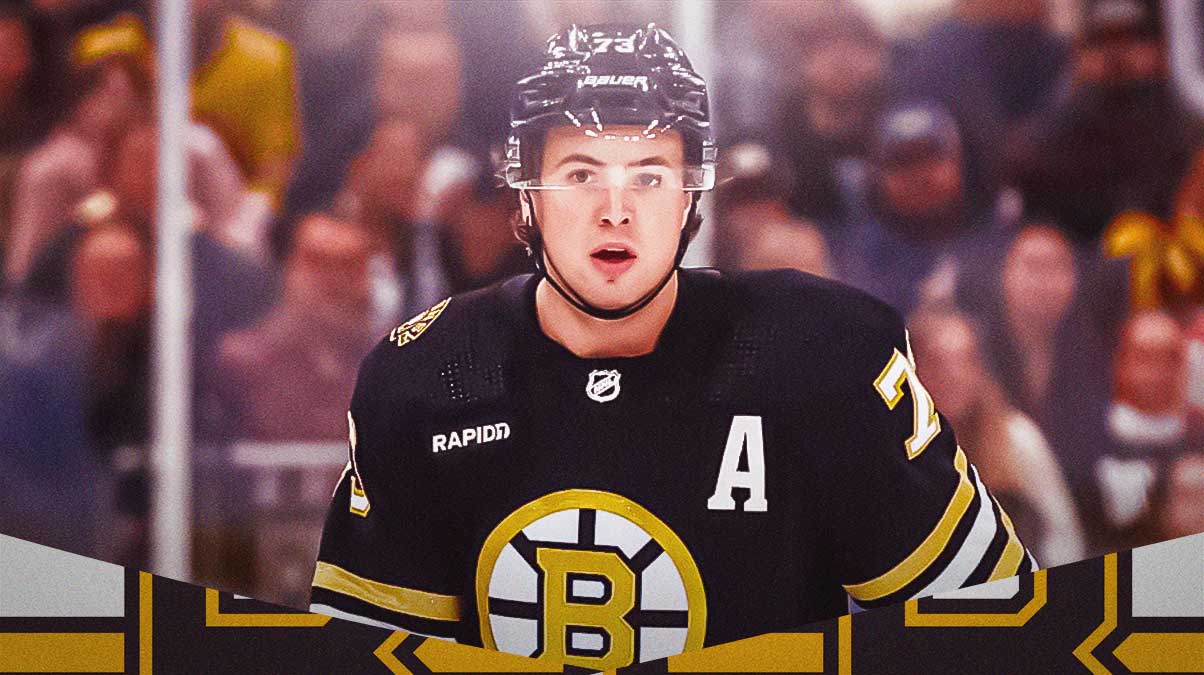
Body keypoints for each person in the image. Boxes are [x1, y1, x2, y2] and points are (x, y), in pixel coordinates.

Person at [310, 25, 1034, 669]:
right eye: (581, 174)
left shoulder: (825, 356)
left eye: (649, 177)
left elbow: (999, 628)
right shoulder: (425, 378)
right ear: (523, 191)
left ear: (693, 194)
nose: (615, 210)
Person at [907, 305, 1085, 567]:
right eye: (937, 362)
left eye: (965, 360)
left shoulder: (1018, 438)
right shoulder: (899, 448)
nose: (953, 375)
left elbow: (1064, 539)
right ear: (915, 370)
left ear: (981, 368)